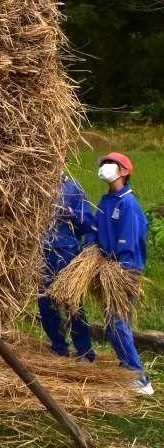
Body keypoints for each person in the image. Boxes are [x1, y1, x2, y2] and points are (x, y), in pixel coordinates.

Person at [92, 152, 153, 395]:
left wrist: (120, 268)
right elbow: (98, 229)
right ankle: (126, 367)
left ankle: (139, 377)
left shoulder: (128, 203)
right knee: (115, 322)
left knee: (116, 322)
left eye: (111, 164)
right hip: (108, 266)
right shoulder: (107, 200)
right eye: (103, 163)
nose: (105, 167)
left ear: (124, 172)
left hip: (124, 270)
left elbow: (129, 240)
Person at [38, 172, 97, 360]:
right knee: (45, 303)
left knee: (72, 303)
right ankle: (59, 347)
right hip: (42, 252)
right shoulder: (36, 181)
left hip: (66, 251)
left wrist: (72, 215)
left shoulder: (72, 187)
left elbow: (87, 224)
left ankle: (85, 351)